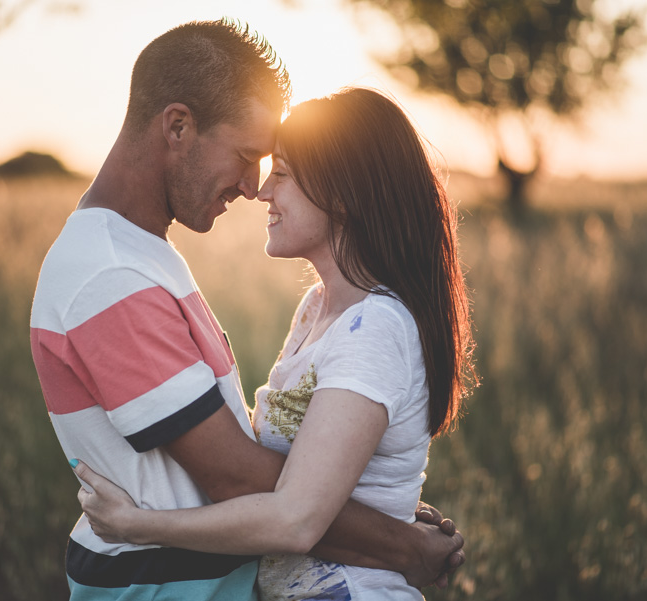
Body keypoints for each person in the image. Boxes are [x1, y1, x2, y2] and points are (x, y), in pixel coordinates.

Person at [30, 19, 464, 601]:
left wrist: (378, 503)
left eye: (275, 168)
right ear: (178, 126)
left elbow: (284, 483)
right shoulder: (110, 275)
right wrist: (398, 540)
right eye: (245, 155)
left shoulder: (143, 257)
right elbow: (235, 475)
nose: (252, 185)